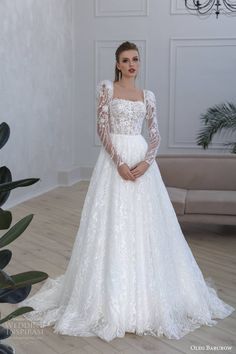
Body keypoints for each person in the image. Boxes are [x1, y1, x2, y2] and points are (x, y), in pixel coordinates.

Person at [18, 41, 235, 342]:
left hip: (141, 158)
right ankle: (108, 298)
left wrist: (146, 163)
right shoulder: (107, 88)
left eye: (136, 59)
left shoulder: (148, 96)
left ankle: (147, 296)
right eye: (126, 60)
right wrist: (119, 162)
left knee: (146, 227)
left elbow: (155, 134)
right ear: (117, 64)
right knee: (111, 224)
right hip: (114, 162)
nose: (132, 64)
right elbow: (102, 128)